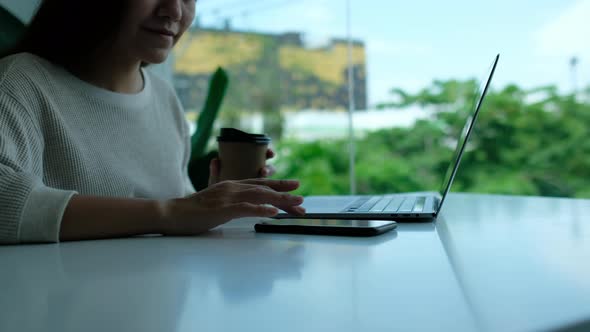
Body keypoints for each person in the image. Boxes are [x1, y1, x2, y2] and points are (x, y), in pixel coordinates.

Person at [0, 0, 305, 244]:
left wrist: (215, 200)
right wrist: (173, 211)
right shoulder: (20, 81)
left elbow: (170, 216)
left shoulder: (163, 96)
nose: (174, 10)